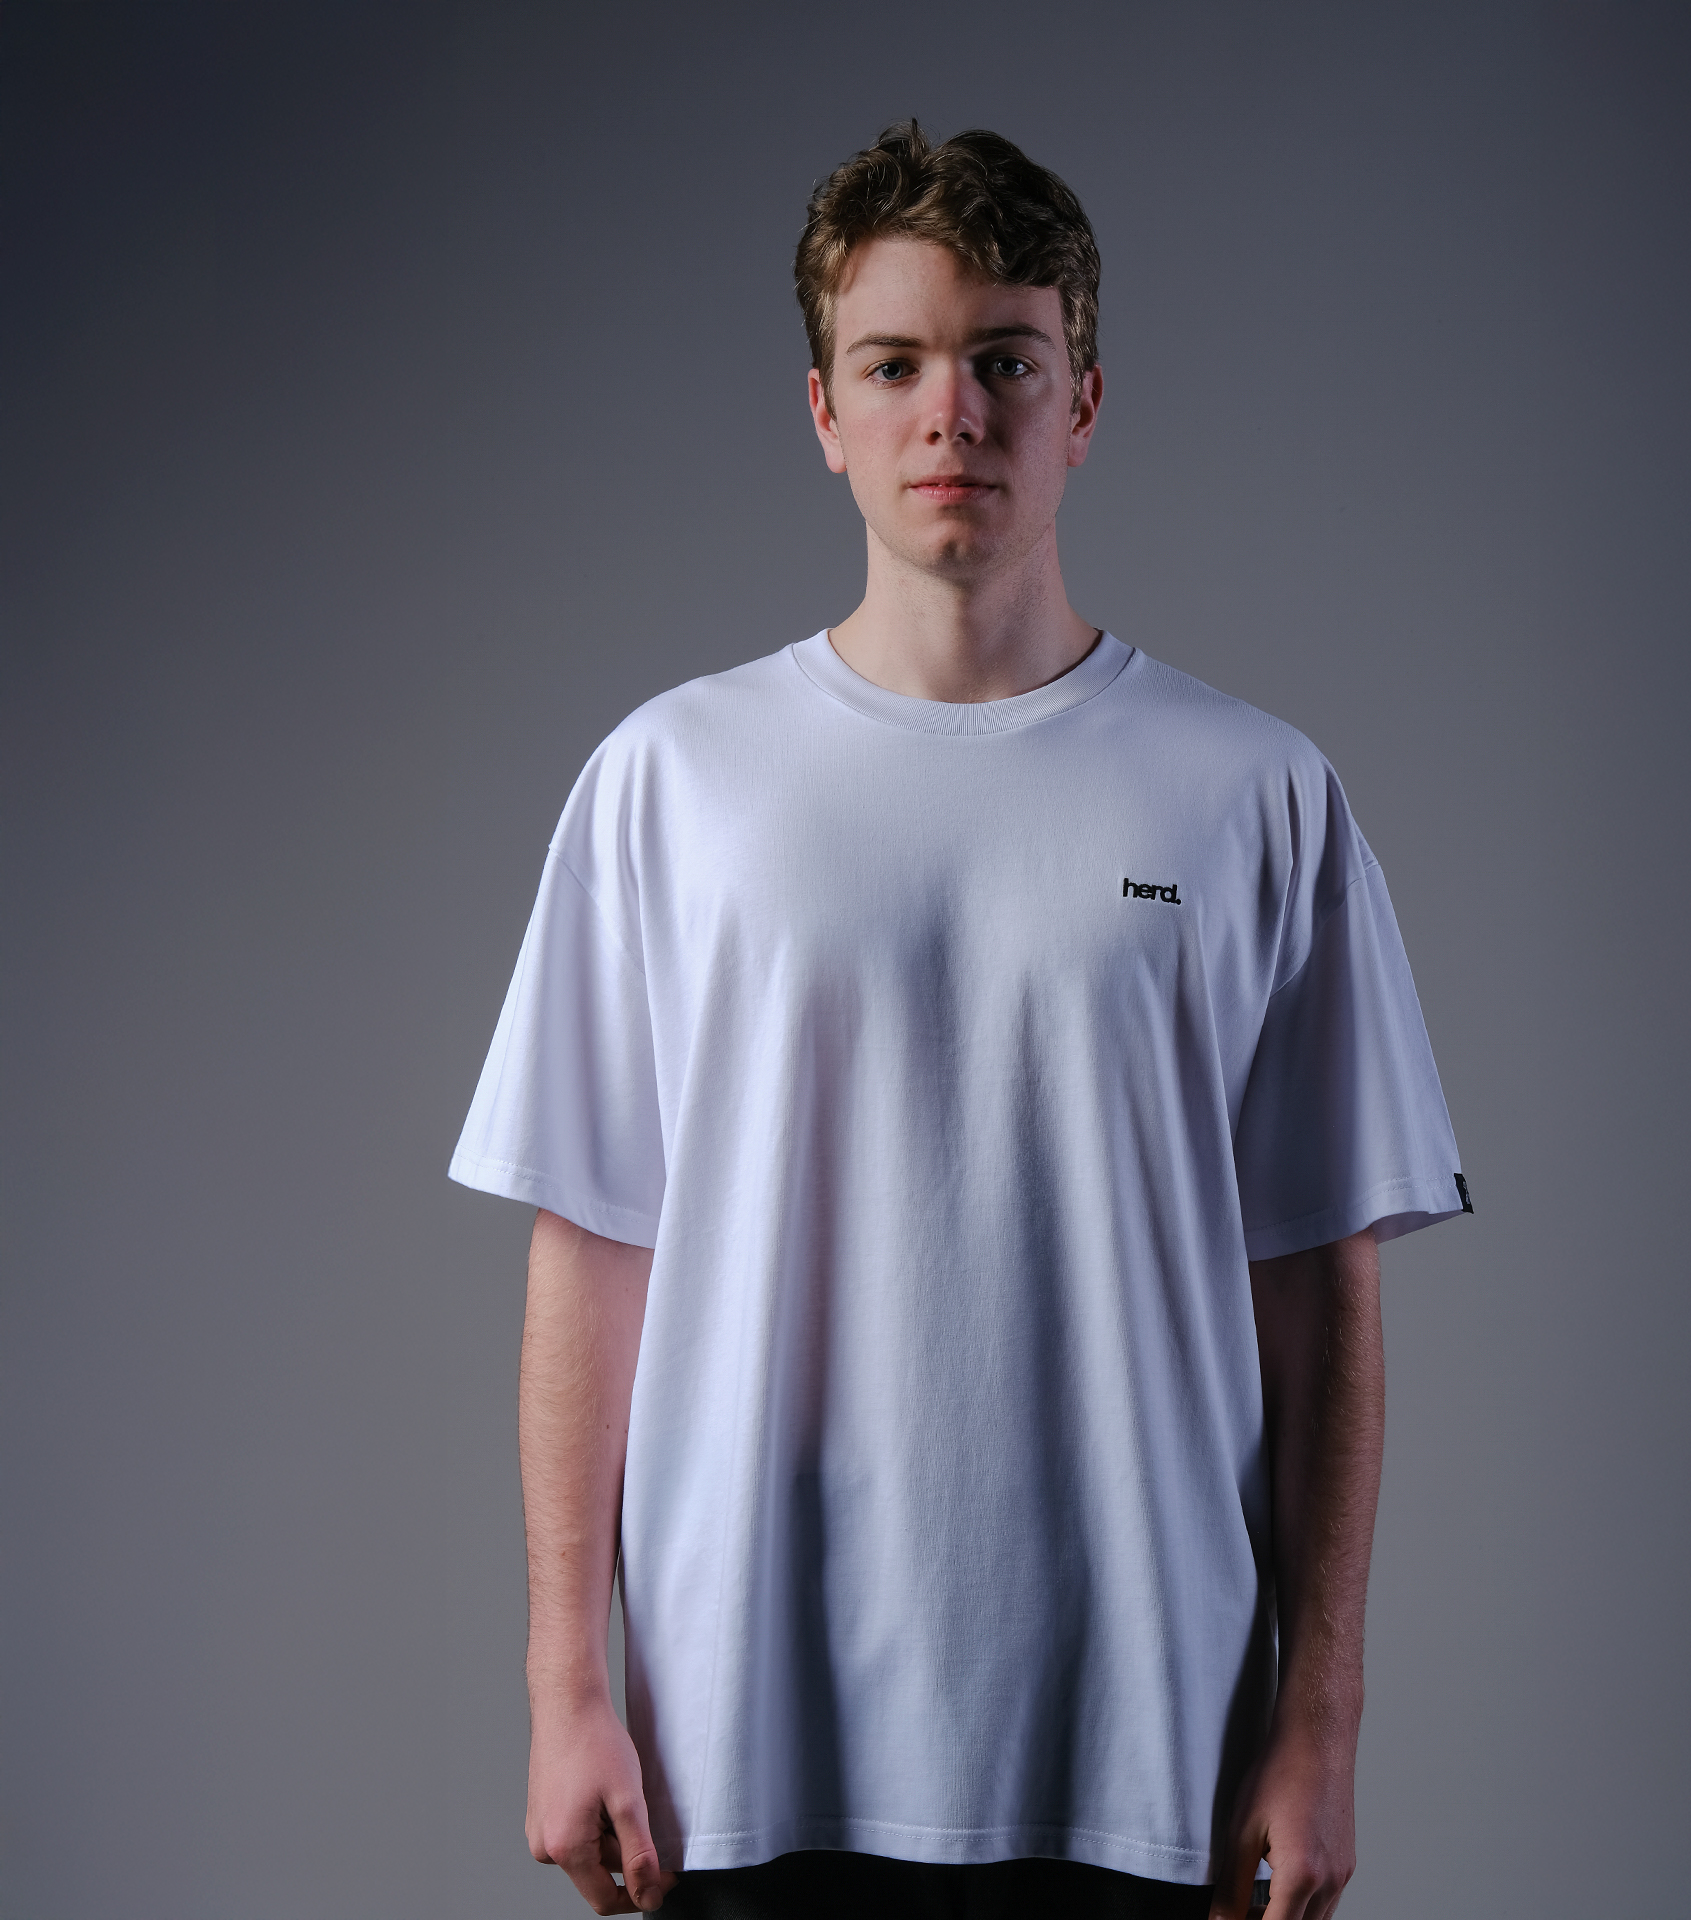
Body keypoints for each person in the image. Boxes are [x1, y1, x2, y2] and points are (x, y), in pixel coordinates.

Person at [450, 121, 1468, 1920]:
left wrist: (1323, 1721)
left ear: (1083, 403)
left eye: (1006, 360)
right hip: (739, 1747)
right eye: (894, 364)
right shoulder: (669, 785)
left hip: (1149, 1757)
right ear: (823, 412)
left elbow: (1322, 1285)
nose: (952, 416)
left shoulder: (1254, 797)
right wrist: (562, 1691)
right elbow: (591, 1252)